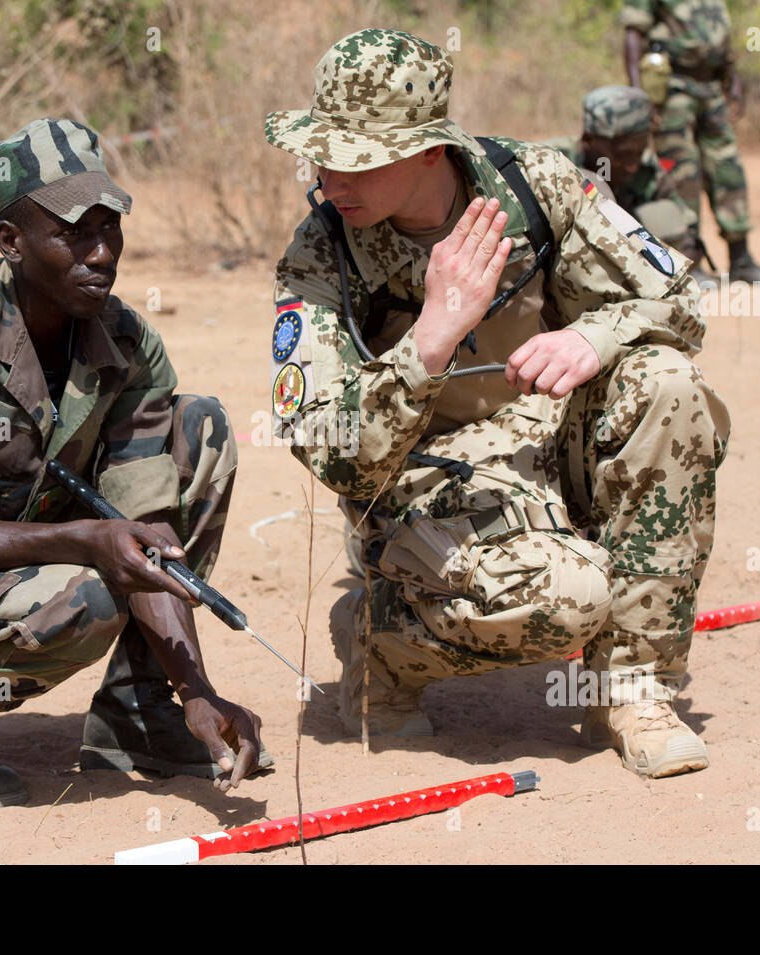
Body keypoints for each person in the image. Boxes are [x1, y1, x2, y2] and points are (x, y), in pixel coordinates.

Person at [264, 29, 730, 779]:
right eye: (321, 152)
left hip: (546, 442)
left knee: (668, 384)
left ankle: (633, 687)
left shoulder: (536, 187)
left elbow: (679, 300)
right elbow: (327, 446)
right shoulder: (324, 253)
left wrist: (597, 333)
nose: (328, 175)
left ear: (427, 151)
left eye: (355, 156)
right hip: (422, 482)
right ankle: (381, 640)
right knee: (572, 596)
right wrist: (431, 336)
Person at [0, 118, 265, 805]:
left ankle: (141, 709)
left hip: (36, 549)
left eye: (111, 228)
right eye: (74, 233)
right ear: (13, 241)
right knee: (86, 596)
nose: (102, 254)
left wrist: (197, 690)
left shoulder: (126, 341)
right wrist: (85, 540)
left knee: (200, 428)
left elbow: (146, 534)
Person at [620, 0, 760, 282]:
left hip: (712, 89)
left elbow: (717, 32)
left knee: (728, 169)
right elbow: (633, 34)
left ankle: (741, 257)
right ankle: (689, 260)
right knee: (682, 174)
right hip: (672, 88)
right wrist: (639, 94)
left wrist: (732, 77)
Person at [550, 85, 710, 278]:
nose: (632, 166)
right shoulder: (552, 164)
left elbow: (686, 235)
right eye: (622, 154)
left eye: (638, 153)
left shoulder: (647, 171)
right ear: (589, 140)